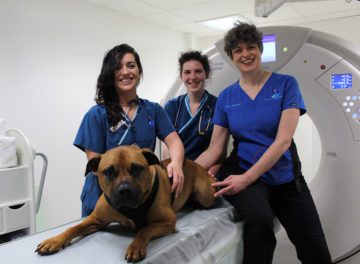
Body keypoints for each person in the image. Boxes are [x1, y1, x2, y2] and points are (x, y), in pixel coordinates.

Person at [195, 22, 332, 264]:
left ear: (260, 50)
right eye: (238, 50)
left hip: (285, 178)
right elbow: (216, 148)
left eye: (250, 47)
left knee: (316, 251)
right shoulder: (227, 96)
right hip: (244, 170)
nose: (245, 54)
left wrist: (244, 180)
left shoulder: (286, 84)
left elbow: (282, 142)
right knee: (259, 222)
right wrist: (182, 170)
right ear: (231, 57)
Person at [74, 44, 185, 217]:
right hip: (102, 200)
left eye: (131, 66)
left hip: (140, 198)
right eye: (118, 67)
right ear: (110, 74)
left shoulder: (153, 110)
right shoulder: (96, 115)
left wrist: (176, 164)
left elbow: (174, 141)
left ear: (139, 71)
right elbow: (97, 164)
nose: (125, 72)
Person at [162, 50, 223, 174]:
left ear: (206, 73)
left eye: (198, 71)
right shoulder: (172, 106)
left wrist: (210, 173)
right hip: (175, 169)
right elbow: (167, 148)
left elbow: (219, 150)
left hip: (204, 170)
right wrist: (174, 170)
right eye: (187, 72)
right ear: (181, 76)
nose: (193, 77)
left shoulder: (218, 105)